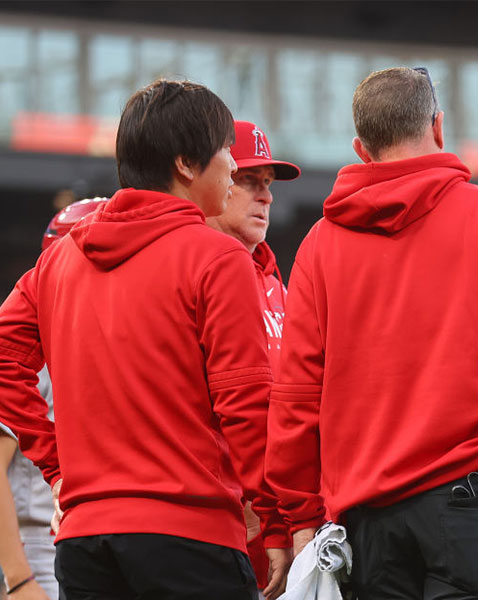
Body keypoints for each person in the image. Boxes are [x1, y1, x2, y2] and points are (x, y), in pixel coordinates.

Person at [265, 66, 478, 599]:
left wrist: (299, 518)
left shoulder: (319, 246)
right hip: (477, 505)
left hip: (366, 520)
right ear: (438, 127)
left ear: (361, 148)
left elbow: (295, 398)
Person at [0, 79, 290, 600]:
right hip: (190, 537)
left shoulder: (60, 259)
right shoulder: (219, 258)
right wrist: (275, 519)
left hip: (85, 540)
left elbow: (3, 357)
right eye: (226, 149)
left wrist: (58, 466)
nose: (231, 164)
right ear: (184, 163)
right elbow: (246, 404)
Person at [207, 120, 300, 599]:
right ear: (215, 177)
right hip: (220, 519)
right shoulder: (197, 274)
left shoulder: (274, 281)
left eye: (268, 185)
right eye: (248, 181)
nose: (265, 197)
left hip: (281, 515)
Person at [0, 197, 106, 600]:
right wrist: (18, 578)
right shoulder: (34, 353)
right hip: (35, 547)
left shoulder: (107, 346)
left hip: (87, 537)